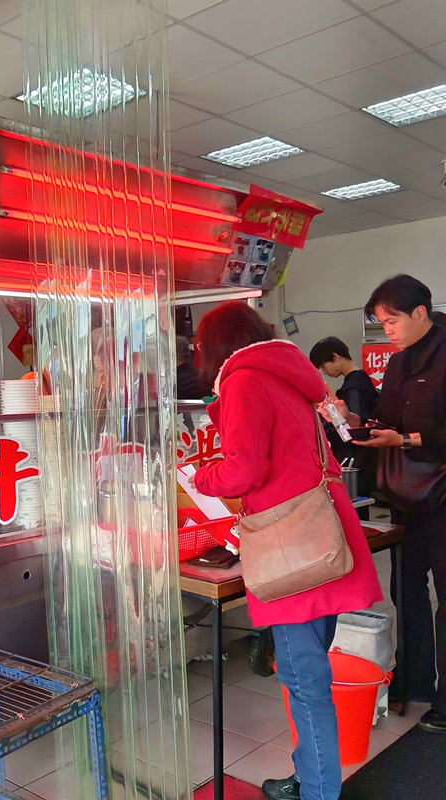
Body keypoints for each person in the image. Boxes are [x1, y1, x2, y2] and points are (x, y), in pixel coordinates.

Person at [191, 302, 381, 800]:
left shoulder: (242, 380)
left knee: (304, 681)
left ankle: (318, 791)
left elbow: (244, 470)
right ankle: (309, 775)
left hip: (290, 552)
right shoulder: (289, 376)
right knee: (311, 671)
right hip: (323, 538)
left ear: (215, 346)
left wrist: (201, 476)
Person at [338, 275, 446, 733]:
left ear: (420, 312)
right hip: (406, 494)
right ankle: (414, 682)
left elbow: (414, 432)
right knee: (406, 591)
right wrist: (353, 420)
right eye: (382, 324)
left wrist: (405, 439)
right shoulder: (399, 363)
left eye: (393, 321)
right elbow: (389, 419)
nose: (389, 332)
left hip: (442, 494)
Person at [309, 337, 379, 500]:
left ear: (335, 357)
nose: (324, 372)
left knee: (356, 500)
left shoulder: (354, 386)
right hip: (363, 456)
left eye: (323, 366)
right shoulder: (359, 381)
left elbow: (355, 427)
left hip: (357, 458)